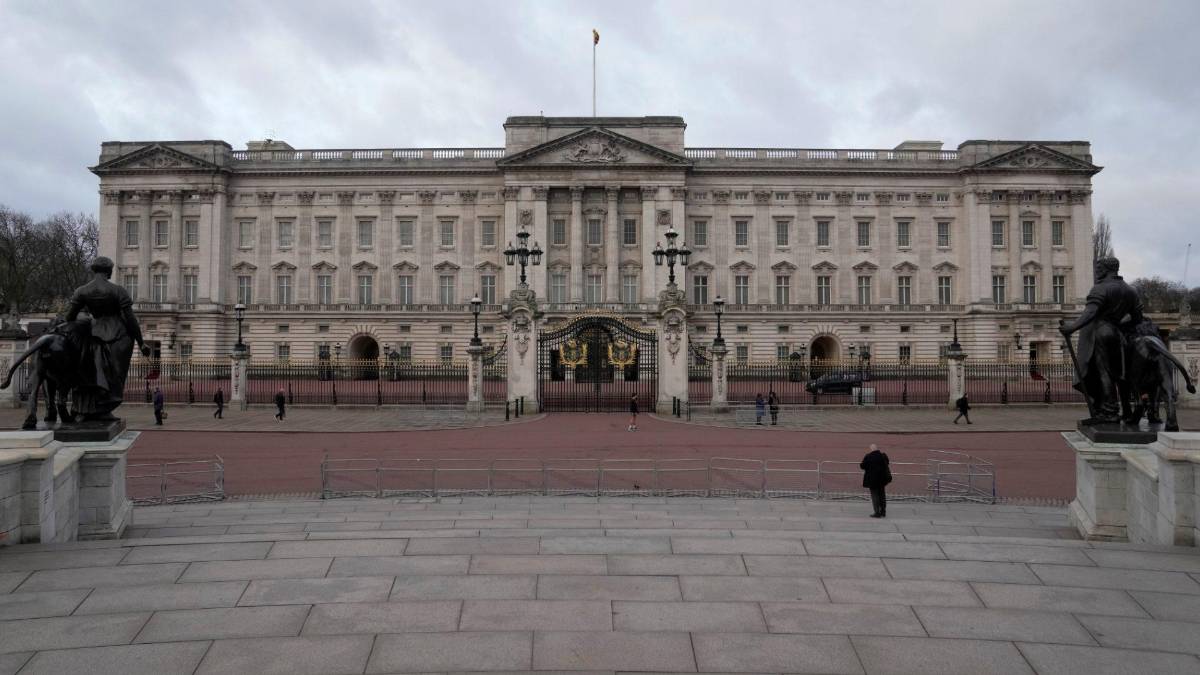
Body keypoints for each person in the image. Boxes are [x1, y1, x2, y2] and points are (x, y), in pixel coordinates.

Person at [64, 256, 150, 421]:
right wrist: (141, 342)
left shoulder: (82, 291)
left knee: (89, 372)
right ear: (109, 271)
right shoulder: (118, 290)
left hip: (93, 334)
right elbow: (130, 319)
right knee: (115, 375)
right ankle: (103, 409)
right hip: (117, 334)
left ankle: (84, 409)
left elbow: (70, 317)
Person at [1059, 257, 1144, 423]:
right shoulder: (1131, 290)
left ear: (1106, 269)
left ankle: (1109, 412)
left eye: (1099, 269)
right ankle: (1107, 409)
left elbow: (1090, 312)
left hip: (1099, 332)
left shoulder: (1100, 288)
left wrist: (1072, 327)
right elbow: (1137, 318)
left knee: (1102, 372)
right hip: (1117, 334)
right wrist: (1118, 325)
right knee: (1116, 374)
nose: (1097, 272)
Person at [860, 443, 892, 518]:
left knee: (875, 496)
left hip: (872, 480)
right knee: (882, 495)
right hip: (882, 479)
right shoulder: (883, 456)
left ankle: (877, 512)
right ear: (877, 448)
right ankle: (883, 511)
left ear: (871, 449)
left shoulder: (868, 456)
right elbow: (887, 463)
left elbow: (862, 466)